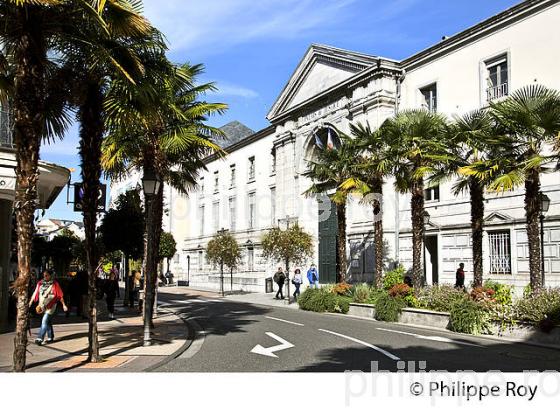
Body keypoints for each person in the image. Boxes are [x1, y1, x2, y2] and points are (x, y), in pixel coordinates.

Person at [28, 270, 68, 345]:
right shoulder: (40, 283)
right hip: (42, 305)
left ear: (50, 275)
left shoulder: (55, 284)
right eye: (44, 275)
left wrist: (64, 305)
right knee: (47, 321)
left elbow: (60, 295)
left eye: (46, 275)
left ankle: (40, 338)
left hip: (51, 306)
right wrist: (30, 302)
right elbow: (35, 292)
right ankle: (50, 336)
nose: (45, 277)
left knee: (44, 320)